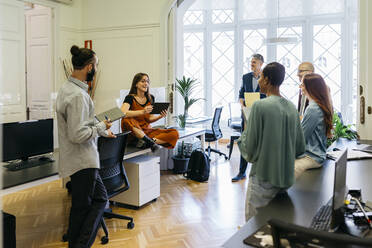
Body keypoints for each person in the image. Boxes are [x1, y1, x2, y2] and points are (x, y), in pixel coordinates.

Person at [56, 45, 116, 248]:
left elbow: (80, 125)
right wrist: (99, 126)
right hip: (83, 161)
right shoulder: (78, 96)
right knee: (83, 208)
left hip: (82, 160)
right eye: (96, 65)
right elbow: (78, 134)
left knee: (98, 200)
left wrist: (100, 129)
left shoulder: (67, 88)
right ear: (89, 67)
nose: (97, 69)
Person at [238, 62, 305, 221]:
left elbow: (250, 148)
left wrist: (243, 136)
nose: (259, 80)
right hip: (285, 179)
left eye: (261, 77)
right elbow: (300, 147)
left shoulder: (259, 107)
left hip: (263, 179)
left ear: (267, 80)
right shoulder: (291, 107)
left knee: (253, 227)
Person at [121, 73, 179, 152]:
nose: (146, 84)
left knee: (174, 133)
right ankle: (150, 142)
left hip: (146, 131)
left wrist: (160, 116)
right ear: (136, 84)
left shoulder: (150, 98)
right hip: (134, 132)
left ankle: (147, 142)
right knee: (126, 120)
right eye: (143, 81)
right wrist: (142, 111)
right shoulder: (130, 98)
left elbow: (149, 119)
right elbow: (123, 113)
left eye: (147, 82)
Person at [232, 53, 266, 182]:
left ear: (261, 64)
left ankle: (260, 173)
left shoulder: (266, 78)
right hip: (246, 114)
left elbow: (268, 94)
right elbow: (241, 93)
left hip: (261, 114)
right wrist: (241, 104)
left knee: (261, 144)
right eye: (251, 62)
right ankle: (242, 172)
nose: (251, 65)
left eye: (254, 62)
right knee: (244, 142)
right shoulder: (245, 77)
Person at [294, 73, 333, 179]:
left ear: (310, 88)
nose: (300, 87)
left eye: (302, 85)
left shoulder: (313, 108)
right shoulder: (318, 105)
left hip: (311, 157)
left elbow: (301, 138)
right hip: (316, 155)